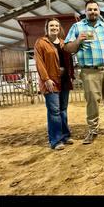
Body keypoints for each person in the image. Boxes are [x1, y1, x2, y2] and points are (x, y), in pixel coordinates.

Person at [64, 0, 104, 144]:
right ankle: (93, 130)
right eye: (90, 9)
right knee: (92, 102)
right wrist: (78, 40)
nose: (93, 12)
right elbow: (68, 48)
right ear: (85, 11)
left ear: (99, 11)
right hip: (89, 71)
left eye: (95, 9)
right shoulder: (77, 27)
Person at [34, 18, 75, 151]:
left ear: (59, 28)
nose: (54, 27)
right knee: (54, 111)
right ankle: (56, 140)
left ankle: (65, 135)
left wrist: (71, 75)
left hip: (64, 81)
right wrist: (46, 79)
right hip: (51, 81)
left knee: (63, 109)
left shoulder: (63, 43)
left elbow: (70, 61)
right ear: (47, 28)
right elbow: (39, 62)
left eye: (56, 25)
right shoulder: (41, 43)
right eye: (51, 25)